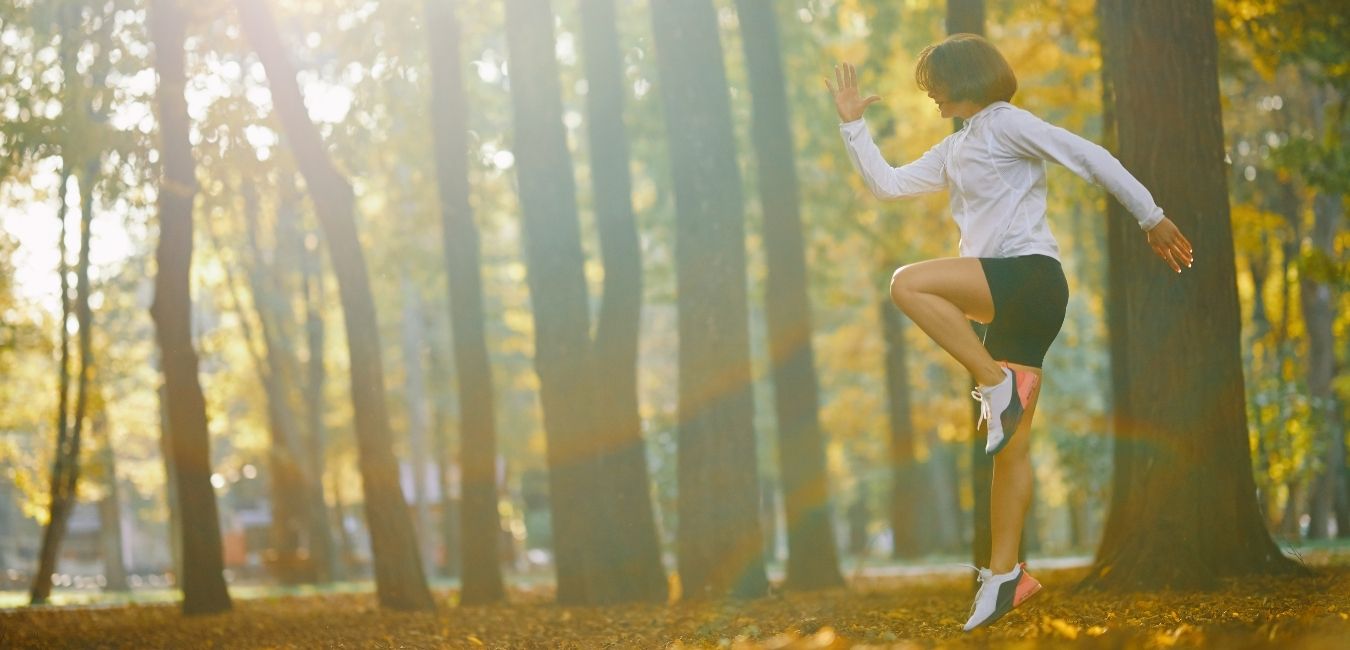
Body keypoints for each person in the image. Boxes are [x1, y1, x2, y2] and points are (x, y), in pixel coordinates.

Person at [824, 33, 1193, 631]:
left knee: (907, 284)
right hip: (1007, 301)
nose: (931, 96)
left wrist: (1151, 217)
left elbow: (1089, 157)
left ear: (965, 79)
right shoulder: (955, 148)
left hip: (1030, 279)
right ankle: (1004, 577)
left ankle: (994, 383)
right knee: (1009, 449)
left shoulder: (1006, 124)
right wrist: (851, 128)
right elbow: (887, 185)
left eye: (936, 85)